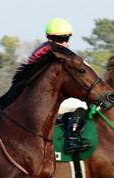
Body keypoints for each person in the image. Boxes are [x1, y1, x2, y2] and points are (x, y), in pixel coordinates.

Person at [29, 18, 91, 153]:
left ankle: (65, 123)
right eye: (62, 39)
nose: (64, 42)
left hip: (33, 100)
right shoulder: (56, 54)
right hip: (41, 103)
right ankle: (71, 141)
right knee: (82, 105)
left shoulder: (43, 50)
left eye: (66, 38)